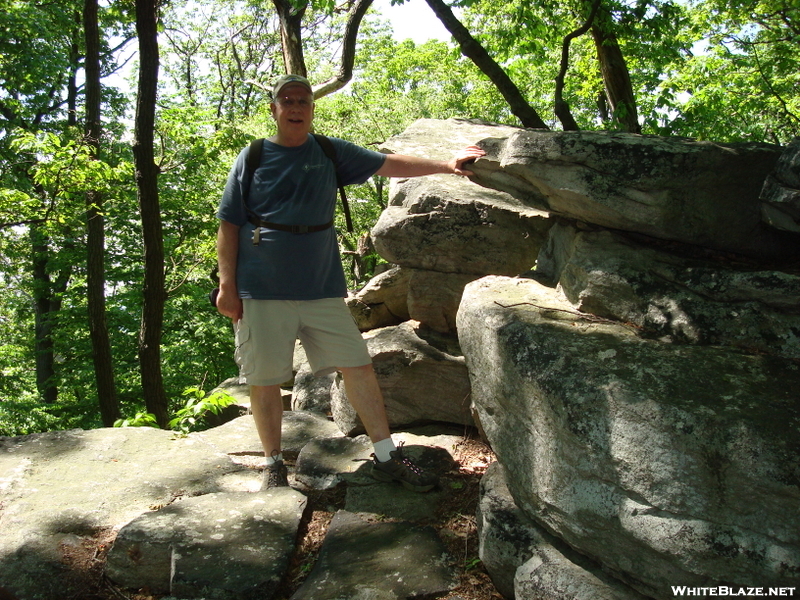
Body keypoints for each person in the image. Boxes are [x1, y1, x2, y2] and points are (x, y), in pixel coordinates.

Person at [216, 74, 485, 492]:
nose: (295, 106)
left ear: (311, 109)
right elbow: (229, 223)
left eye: (303, 100)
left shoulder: (328, 152)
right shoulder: (252, 157)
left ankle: (386, 457)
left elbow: (389, 164)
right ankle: (273, 465)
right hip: (262, 288)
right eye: (286, 100)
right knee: (264, 379)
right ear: (274, 109)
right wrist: (227, 286)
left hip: (321, 287)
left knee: (358, 365)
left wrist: (447, 164)